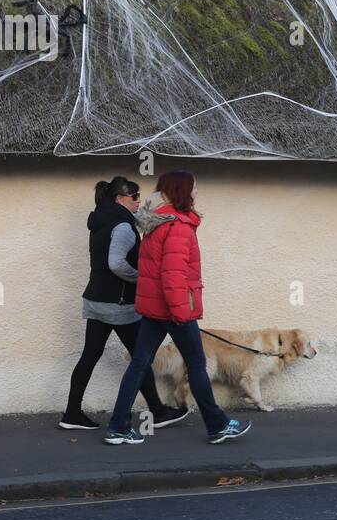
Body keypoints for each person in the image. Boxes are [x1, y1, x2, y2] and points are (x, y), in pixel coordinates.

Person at [105, 170, 251, 445]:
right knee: (197, 362)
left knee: (139, 364)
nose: (197, 193)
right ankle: (217, 424)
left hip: (153, 310)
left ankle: (118, 426)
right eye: (194, 188)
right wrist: (182, 314)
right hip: (173, 309)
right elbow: (172, 277)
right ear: (183, 191)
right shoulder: (178, 226)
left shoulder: (157, 222)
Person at [60, 176, 190, 431]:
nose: (139, 201)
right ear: (120, 199)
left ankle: (72, 414)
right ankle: (158, 411)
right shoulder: (121, 226)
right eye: (134, 197)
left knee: (90, 356)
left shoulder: (102, 220)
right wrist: (142, 279)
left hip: (97, 300)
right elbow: (116, 263)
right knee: (141, 357)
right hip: (118, 305)